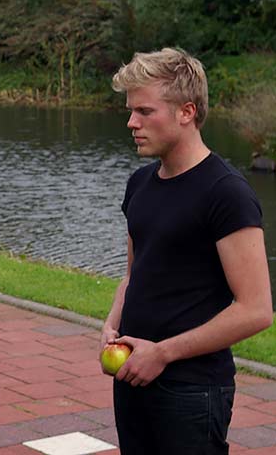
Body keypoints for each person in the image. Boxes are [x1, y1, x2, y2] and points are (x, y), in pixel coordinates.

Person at [102, 48, 272, 454]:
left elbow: (256, 309)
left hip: (192, 392)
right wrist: (112, 323)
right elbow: (134, 273)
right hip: (131, 374)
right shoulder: (139, 184)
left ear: (186, 112)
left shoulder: (226, 193)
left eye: (145, 111)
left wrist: (162, 354)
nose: (131, 123)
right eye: (130, 110)